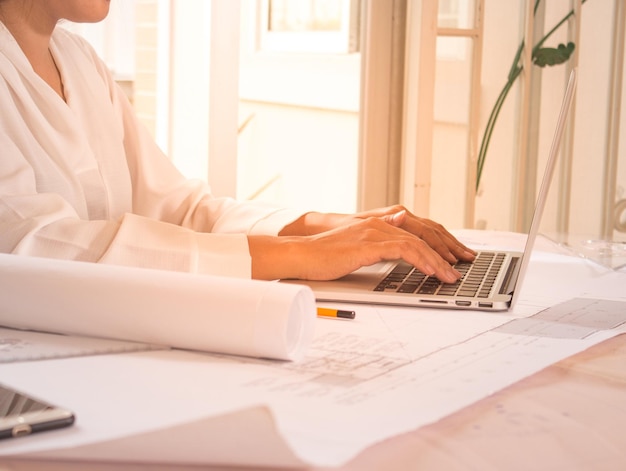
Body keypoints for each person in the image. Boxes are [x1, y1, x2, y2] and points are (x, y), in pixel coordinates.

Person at [0, 0, 475, 284]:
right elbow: (36, 245)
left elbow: (179, 211)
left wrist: (330, 228)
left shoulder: (79, 62)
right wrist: (303, 256)